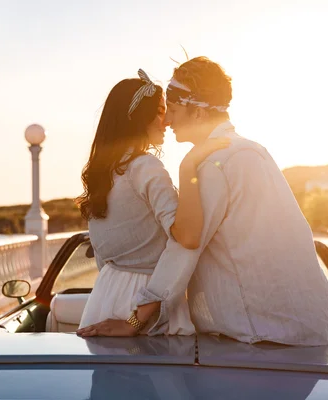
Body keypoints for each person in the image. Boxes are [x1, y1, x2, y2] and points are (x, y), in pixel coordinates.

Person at [77, 58, 328, 346]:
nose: (167, 120)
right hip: (283, 329)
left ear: (198, 113)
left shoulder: (215, 164)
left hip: (266, 334)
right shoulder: (247, 151)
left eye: (171, 110)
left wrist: (134, 320)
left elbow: (185, 246)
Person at [75, 69, 230, 336]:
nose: (166, 120)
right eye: (159, 111)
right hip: (145, 300)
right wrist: (190, 164)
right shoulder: (144, 166)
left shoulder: (104, 174)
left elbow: (103, 255)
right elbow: (185, 237)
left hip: (106, 294)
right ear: (138, 119)